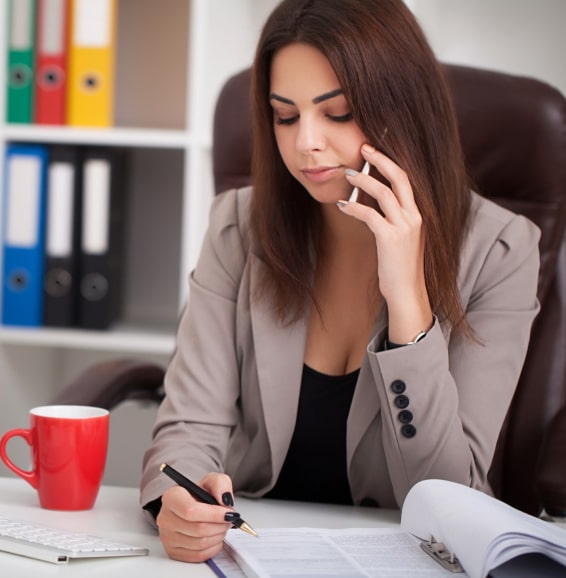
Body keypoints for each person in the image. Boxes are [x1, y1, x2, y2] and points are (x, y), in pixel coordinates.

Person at [140, 0, 541, 563]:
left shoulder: (501, 251)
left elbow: (451, 497)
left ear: (404, 107)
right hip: (250, 551)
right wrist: (174, 502)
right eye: (285, 115)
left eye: (338, 112)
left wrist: (409, 305)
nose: (306, 142)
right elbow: (190, 423)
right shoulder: (238, 224)